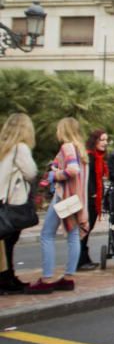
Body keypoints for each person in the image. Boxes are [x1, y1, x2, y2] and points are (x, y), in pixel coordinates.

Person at [27, 117, 89, 294]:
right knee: (73, 235)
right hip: (77, 200)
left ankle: (46, 279)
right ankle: (69, 277)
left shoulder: (67, 147)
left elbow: (72, 170)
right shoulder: (81, 150)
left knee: (47, 234)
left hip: (64, 197)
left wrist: (54, 176)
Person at [0, 113, 38, 294]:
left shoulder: (4, 147)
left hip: (2, 201)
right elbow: (31, 172)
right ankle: (7, 279)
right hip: (14, 203)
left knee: (4, 243)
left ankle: (7, 277)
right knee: (10, 240)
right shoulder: (20, 148)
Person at [77, 129, 109, 271]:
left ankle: (84, 258)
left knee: (87, 230)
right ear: (94, 141)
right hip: (88, 199)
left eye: (106, 140)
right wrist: (92, 193)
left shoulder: (99, 157)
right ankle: (80, 261)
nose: (105, 143)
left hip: (94, 198)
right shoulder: (89, 157)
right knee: (84, 229)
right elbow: (86, 177)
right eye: (102, 140)